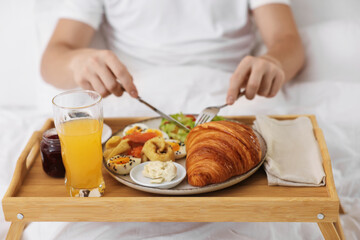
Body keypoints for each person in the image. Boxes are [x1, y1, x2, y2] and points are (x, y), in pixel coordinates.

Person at [41, 0, 304, 106]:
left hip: (229, 101)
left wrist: (273, 62)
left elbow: (288, 40)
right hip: (135, 101)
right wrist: (78, 63)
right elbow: (53, 57)